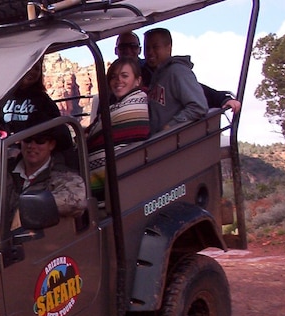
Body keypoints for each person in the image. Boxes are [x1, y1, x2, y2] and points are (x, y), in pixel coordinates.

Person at [116, 31, 241, 114]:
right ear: (116, 51)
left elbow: (192, 87)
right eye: (123, 47)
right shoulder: (112, 80)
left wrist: (222, 99)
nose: (128, 51)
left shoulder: (167, 70)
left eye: (132, 46)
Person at [85, 57, 150, 193]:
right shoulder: (113, 106)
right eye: (114, 77)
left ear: (137, 81)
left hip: (121, 174)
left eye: (124, 76)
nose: (118, 81)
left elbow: (95, 133)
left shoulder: (137, 103)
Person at [8, 127, 87, 228]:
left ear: (51, 145)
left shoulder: (65, 177)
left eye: (40, 141)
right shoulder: (3, 170)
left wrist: (28, 208)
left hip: (41, 240)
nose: (31, 146)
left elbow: (77, 201)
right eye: (27, 139)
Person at [143, 28, 208, 132]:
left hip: (174, 142)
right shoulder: (156, 74)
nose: (150, 52)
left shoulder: (178, 71)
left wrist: (171, 126)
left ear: (168, 48)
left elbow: (198, 106)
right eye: (147, 48)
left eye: (155, 47)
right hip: (157, 142)